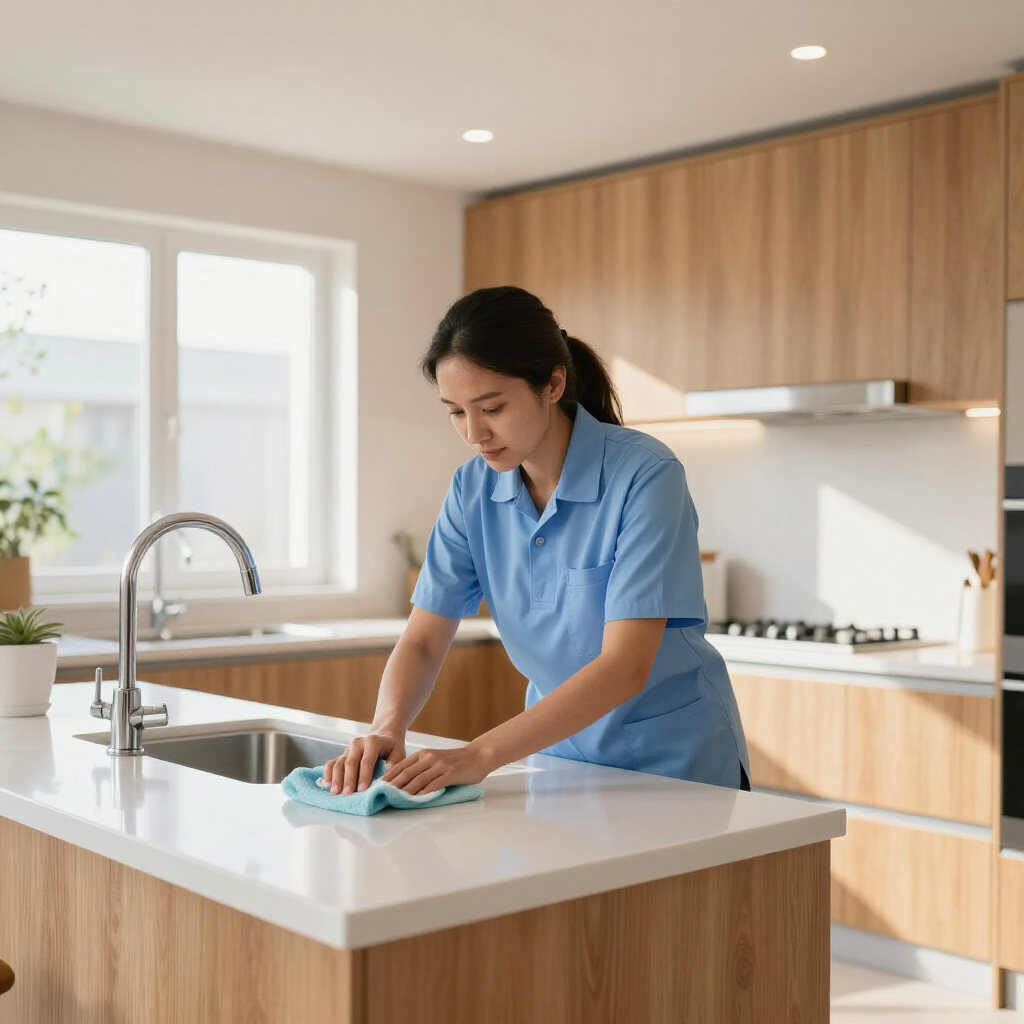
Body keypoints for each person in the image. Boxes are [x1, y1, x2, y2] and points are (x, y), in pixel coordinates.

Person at [324, 286, 749, 797]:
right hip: (557, 758)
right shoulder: (472, 488)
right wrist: (386, 727)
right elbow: (422, 638)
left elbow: (624, 667)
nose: (474, 433)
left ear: (552, 383)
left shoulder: (644, 473)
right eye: (456, 412)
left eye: (492, 407)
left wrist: (478, 755)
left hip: (673, 767)